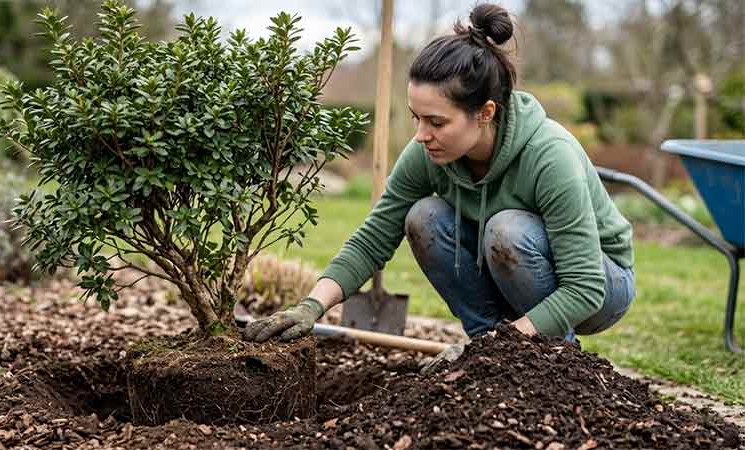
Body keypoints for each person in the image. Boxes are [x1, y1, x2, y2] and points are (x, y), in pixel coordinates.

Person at [242, 4, 635, 361]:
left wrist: (510, 343)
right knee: (423, 215)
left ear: (484, 113)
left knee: (508, 231)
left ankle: (555, 360)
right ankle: (484, 350)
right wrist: (312, 305)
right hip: (520, 272)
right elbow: (374, 236)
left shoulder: (550, 155)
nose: (421, 134)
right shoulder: (428, 152)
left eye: (436, 122)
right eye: (417, 117)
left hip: (601, 284)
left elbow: (584, 287)